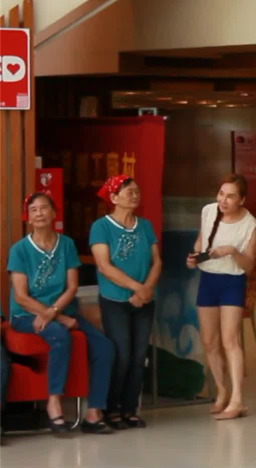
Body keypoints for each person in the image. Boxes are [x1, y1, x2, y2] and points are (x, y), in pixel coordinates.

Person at [7, 192, 115, 435]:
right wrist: (56, 317)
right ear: (28, 217)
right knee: (59, 335)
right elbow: (21, 297)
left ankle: (94, 411)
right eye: (33, 210)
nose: (39, 213)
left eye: (44, 208)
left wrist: (54, 312)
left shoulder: (66, 244)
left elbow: (72, 286)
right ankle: (53, 402)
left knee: (104, 347)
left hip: (62, 310)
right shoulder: (20, 250)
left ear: (54, 213)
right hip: (26, 315)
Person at [90, 175, 162, 430]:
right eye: (128, 191)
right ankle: (112, 409)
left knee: (139, 355)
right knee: (121, 354)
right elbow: (104, 266)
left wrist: (147, 289)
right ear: (113, 198)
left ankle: (130, 409)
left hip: (144, 299)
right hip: (115, 299)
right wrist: (137, 288)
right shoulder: (101, 227)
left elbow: (156, 261)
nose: (134, 195)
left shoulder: (145, 226)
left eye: (136, 191)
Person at [187, 174, 256, 420]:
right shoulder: (208, 211)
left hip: (232, 280)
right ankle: (221, 391)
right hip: (208, 278)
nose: (223, 200)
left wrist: (232, 252)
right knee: (209, 341)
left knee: (230, 340)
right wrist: (194, 256)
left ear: (242, 200)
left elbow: (249, 266)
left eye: (230, 196)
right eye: (221, 194)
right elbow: (201, 241)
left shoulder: (250, 225)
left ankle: (237, 399)